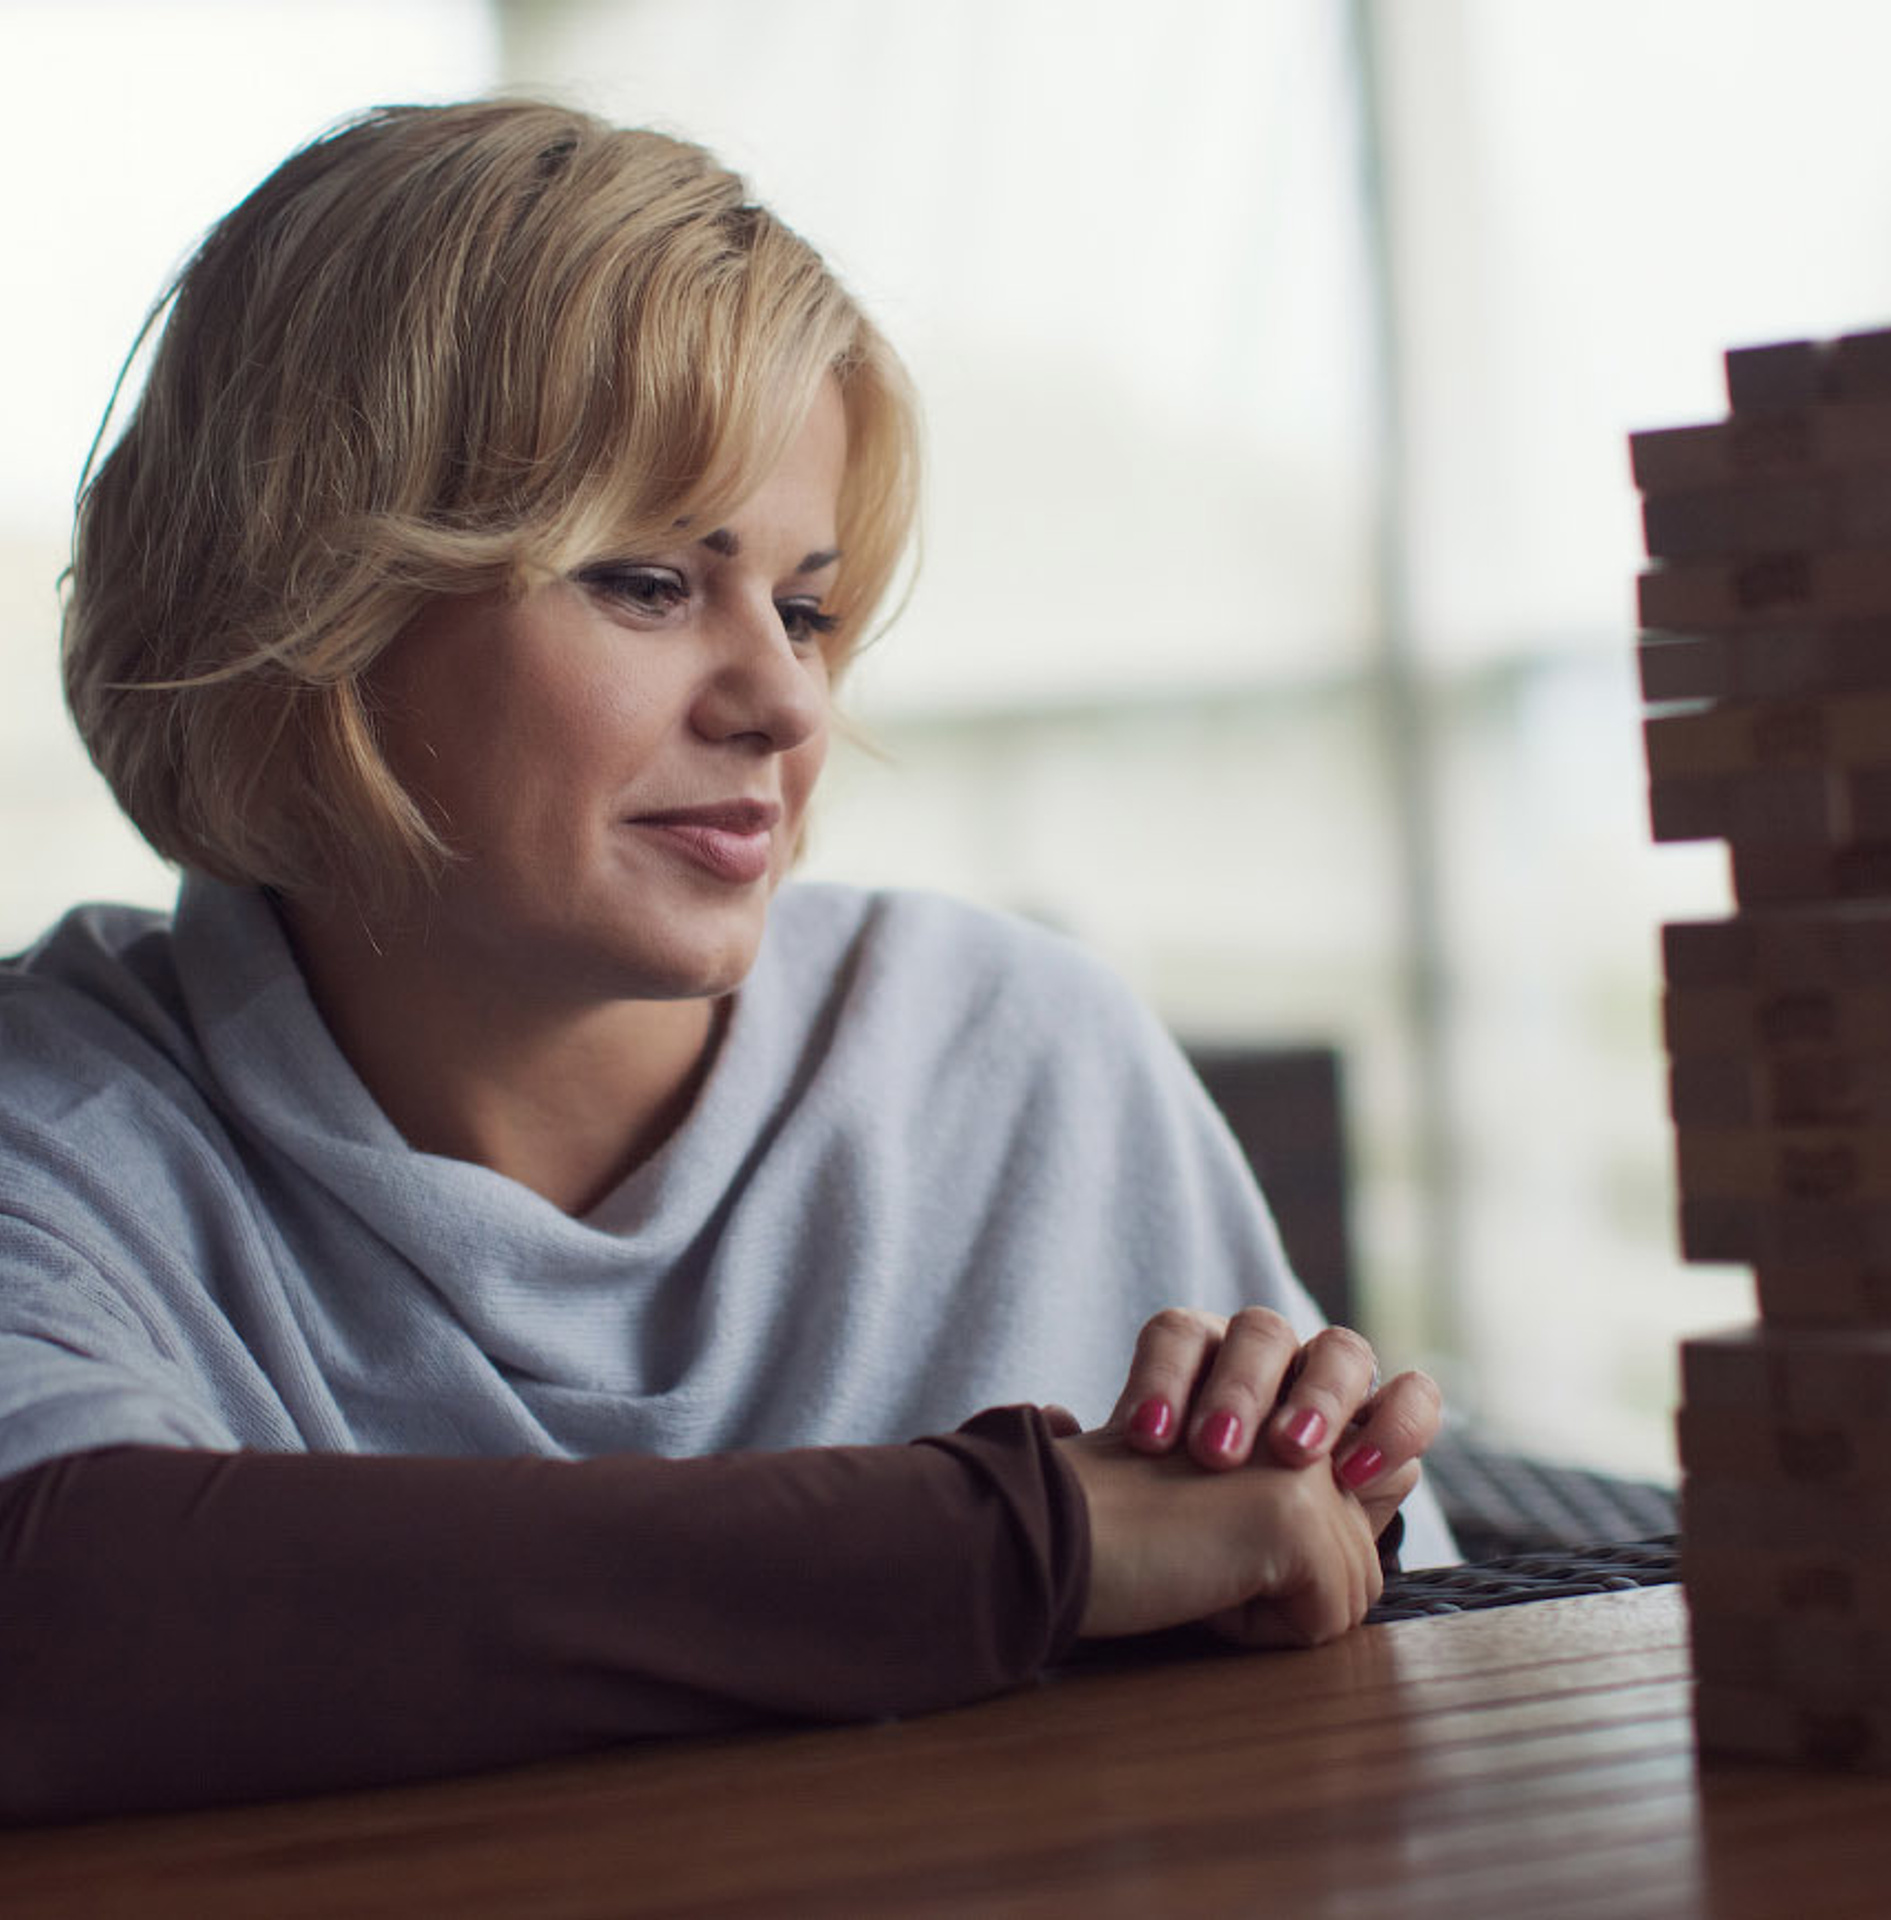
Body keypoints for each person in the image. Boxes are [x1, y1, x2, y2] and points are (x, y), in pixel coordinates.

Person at [0, 99, 1447, 1824]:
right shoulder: (57, 1126)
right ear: (311, 605)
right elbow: (52, 1611)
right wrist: (1010, 1542)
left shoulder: (1019, 1052)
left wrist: (1311, 1511)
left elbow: (1333, 1717)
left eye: (808, 607)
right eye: (646, 582)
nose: (784, 700)